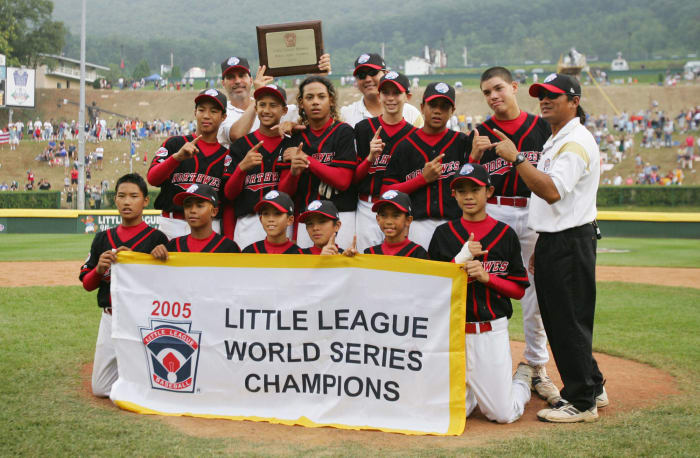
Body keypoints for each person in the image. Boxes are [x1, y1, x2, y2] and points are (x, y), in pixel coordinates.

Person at [493, 73, 607, 423]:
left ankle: (582, 401)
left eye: (554, 96)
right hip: (557, 238)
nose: (544, 100)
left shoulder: (575, 141)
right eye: (541, 95)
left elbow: (552, 190)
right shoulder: (559, 138)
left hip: (570, 240)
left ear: (574, 101)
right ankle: (594, 385)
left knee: (566, 320)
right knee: (565, 318)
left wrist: (515, 159)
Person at [469, 67, 559, 405]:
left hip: (534, 210)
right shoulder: (481, 132)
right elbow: (466, 180)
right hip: (496, 211)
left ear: (514, 87)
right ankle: (491, 366)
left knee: (536, 293)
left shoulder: (541, 127)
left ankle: (536, 366)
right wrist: (474, 156)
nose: (493, 96)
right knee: (489, 286)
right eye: (487, 92)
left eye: (498, 89)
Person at [428, 163, 532, 424]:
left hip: (491, 331)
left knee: (503, 414)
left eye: (475, 189)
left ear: (489, 191)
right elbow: (431, 288)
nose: (469, 196)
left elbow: (518, 290)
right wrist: (458, 263)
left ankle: (522, 381)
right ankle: (474, 390)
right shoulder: (443, 234)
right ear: (454, 195)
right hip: (454, 334)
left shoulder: (505, 234)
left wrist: (487, 277)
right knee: (452, 414)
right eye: (461, 190)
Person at [79, 173, 168, 397]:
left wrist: (147, 260)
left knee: (154, 380)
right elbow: (88, 285)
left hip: (142, 318)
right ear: (115, 200)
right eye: (122, 196)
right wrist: (99, 269)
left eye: (134, 196)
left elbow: (164, 287)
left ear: (145, 201)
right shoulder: (103, 238)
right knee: (100, 388)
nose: (127, 202)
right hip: (110, 316)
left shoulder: (156, 239)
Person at [382, 82, 469, 250]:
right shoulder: (405, 146)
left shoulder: (462, 142)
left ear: (452, 111)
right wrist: (422, 179)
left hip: (455, 224)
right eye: (432, 105)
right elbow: (386, 192)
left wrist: (475, 157)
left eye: (444, 107)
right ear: (422, 107)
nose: (437, 111)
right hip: (417, 225)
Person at [279, 76, 357, 250]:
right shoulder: (295, 136)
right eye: (309, 97)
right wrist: (293, 172)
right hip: (308, 217)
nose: (315, 102)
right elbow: (284, 193)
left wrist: (307, 160)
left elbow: (343, 181)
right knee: (308, 273)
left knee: (341, 270)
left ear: (331, 100)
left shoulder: (344, 132)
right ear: (301, 103)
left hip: (341, 215)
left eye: (321, 97)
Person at [147, 89, 231, 239]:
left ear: (223, 116)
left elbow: (228, 201)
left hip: (210, 226)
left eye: (213, 111)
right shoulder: (175, 143)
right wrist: (177, 158)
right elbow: (153, 179)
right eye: (201, 110)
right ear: (195, 113)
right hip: (172, 223)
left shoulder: (226, 156)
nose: (206, 115)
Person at [353, 71, 417, 252]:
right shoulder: (364, 128)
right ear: (379, 95)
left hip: (401, 209)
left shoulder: (414, 135)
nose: (390, 98)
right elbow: (353, 179)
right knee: (368, 263)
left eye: (396, 93)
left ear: (407, 96)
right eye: (386, 93)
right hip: (368, 205)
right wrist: (369, 159)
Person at [224, 84, 294, 248]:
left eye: (273, 105)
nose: (266, 110)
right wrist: (242, 168)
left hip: (284, 221)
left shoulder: (292, 144)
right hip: (249, 222)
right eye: (262, 104)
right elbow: (229, 194)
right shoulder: (241, 146)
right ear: (255, 108)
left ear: (284, 110)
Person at [217, 55, 330, 147]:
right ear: (223, 83)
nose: (237, 81)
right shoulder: (220, 112)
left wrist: (317, 77)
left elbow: (313, 110)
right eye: (231, 77)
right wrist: (259, 94)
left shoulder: (277, 108)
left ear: (251, 80)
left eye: (242, 76)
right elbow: (236, 135)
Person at [151, 183, 240, 258]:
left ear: (214, 211)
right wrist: (156, 256)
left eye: (199, 205)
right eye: (188, 205)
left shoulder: (228, 247)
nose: (192, 210)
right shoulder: (173, 245)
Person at [340, 53, 423, 128]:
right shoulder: (345, 115)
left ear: (386, 74)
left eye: (373, 72)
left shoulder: (411, 114)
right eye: (362, 75)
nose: (368, 79)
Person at [363, 190, 428, 259]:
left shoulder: (417, 253)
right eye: (383, 215)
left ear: (408, 220)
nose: (389, 222)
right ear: (378, 219)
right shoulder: (370, 253)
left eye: (395, 216)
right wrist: (352, 260)